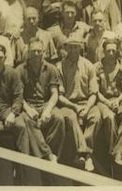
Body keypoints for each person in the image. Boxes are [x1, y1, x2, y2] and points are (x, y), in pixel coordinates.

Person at [18, 37, 89, 167]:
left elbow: (54, 93)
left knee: (59, 118)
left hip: (46, 103)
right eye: (33, 51)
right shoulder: (21, 70)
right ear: (28, 52)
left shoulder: (50, 69)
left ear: (44, 52)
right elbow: (18, 96)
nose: (36, 54)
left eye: (39, 51)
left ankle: (54, 153)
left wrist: (47, 110)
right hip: (28, 104)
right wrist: (28, 109)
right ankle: (47, 155)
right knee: (28, 121)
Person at [0, 43, 43, 164]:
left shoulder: (12, 73)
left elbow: (18, 96)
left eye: (1, 57)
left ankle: (24, 161)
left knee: (21, 126)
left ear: (5, 58)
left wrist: (13, 113)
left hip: (6, 108)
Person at [56, 37, 101, 171]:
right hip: (67, 104)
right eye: (70, 47)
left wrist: (87, 108)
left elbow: (94, 93)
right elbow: (59, 96)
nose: (73, 50)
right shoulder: (59, 67)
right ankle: (86, 155)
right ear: (66, 48)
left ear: (81, 48)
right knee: (71, 118)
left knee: (96, 117)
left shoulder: (89, 66)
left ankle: (81, 153)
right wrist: (74, 107)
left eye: (76, 47)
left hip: (87, 103)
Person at [94, 38, 122, 166]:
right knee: (109, 117)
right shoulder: (97, 67)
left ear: (117, 50)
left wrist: (118, 100)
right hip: (103, 99)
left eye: (113, 50)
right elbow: (95, 91)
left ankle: (121, 151)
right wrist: (107, 102)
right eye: (108, 50)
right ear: (104, 51)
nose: (111, 53)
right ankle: (112, 151)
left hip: (118, 98)